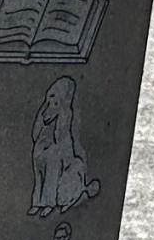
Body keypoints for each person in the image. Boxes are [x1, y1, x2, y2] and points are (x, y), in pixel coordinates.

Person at [30, 77, 101, 216]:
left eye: (56, 104)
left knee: (52, 173)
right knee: (39, 174)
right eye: (49, 102)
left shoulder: (62, 138)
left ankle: (50, 203)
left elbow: (52, 175)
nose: (48, 109)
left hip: (66, 175)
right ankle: (37, 202)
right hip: (45, 146)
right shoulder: (43, 135)